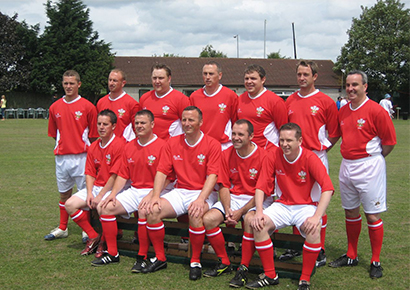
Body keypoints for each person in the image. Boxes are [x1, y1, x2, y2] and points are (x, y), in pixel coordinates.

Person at [237, 123, 334, 290]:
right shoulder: (273, 155)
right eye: (281, 140)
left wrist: (317, 216)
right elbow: (261, 186)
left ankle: (305, 280)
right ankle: (270, 275)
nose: (284, 144)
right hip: (282, 204)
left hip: (305, 206)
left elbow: (328, 188)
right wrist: (259, 212)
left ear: (300, 141)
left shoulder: (310, 158)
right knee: (258, 224)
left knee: (314, 229)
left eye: (289, 140)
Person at [329, 70, 396, 279]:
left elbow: (389, 142)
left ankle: (376, 260)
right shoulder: (343, 110)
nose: (350, 89)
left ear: (365, 87)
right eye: (348, 85)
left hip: (369, 166)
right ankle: (351, 254)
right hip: (347, 165)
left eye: (355, 85)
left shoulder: (376, 110)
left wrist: (374, 159)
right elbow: (335, 136)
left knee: (372, 214)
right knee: (350, 212)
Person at [144, 106, 221, 280]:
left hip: (203, 192)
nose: (187, 123)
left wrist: (201, 199)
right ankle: (160, 257)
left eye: (191, 120)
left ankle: (195, 261)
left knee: (195, 213)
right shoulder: (172, 142)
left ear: (200, 122)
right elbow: (162, 171)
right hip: (180, 190)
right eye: (184, 120)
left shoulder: (212, 144)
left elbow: (213, 176)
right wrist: (155, 196)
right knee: (152, 210)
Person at [90, 109, 170, 268]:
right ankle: (112, 253)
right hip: (134, 190)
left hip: (157, 190)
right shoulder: (129, 146)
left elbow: (168, 177)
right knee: (105, 207)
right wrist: (113, 194)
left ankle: (142, 256)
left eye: (143, 123)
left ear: (152, 124)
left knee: (144, 210)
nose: (139, 126)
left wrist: (153, 194)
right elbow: (122, 175)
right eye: (137, 123)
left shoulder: (163, 146)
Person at [282, 60, 340, 267]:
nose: (301, 78)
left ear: (315, 76)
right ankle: (297, 245)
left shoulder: (325, 101)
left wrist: (321, 149)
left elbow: (334, 132)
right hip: (293, 158)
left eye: (306, 74)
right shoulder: (290, 100)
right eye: (299, 74)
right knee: (295, 199)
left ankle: (320, 249)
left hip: (314, 156)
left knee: (316, 204)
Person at [201, 119, 272, 279]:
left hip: (257, 199)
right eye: (234, 133)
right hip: (234, 198)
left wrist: (241, 212)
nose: (236, 137)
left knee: (249, 221)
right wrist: (228, 210)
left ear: (251, 136)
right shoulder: (226, 154)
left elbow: (263, 191)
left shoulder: (264, 156)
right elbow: (224, 186)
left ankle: (243, 268)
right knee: (209, 219)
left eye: (241, 134)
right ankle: (224, 262)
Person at [45, 70, 99, 241]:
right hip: (62, 157)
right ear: (62, 84)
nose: (68, 86)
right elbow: (54, 133)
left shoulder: (88, 106)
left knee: (84, 194)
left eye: (72, 83)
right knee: (64, 194)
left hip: (82, 157)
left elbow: (93, 135)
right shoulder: (54, 107)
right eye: (66, 83)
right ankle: (63, 228)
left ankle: (86, 229)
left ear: (79, 84)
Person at [64, 109, 125, 255]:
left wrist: (100, 195)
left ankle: (104, 242)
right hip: (97, 188)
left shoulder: (120, 145)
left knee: (102, 208)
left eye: (105, 124)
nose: (101, 127)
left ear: (114, 126)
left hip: (113, 189)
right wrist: (90, 193)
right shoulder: (93, 146)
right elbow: (90, 173)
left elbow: (115, 175)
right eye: (99, 124)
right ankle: (93, 236)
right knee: (69, 205)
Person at [237, 64, 288, 151]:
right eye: (246, 79)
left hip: (267, 152)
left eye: (253, 78)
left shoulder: (275, 101)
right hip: (245, 152)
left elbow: (284, 130)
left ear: (263, 80)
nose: (249, 82)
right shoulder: (240, 99)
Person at [190, 61, 238, 150]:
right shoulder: (194, 96)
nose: (207, 77)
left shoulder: (230, 95)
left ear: (220, 75)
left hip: (223, 146)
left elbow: (236, 121)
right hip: (201, 145)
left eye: (211, 74)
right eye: (205, 74)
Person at [139, 64, 190, 140]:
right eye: (154, 78)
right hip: (149, 146)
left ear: (169, 79)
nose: (157, 81)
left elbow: (189, 125)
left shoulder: (180, 99)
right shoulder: (144, 98)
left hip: (170, 147)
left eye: (161, 78)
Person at [97, 69, 141, 141]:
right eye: (110, 80)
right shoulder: (101, 102)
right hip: (105, 147)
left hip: (124, 147)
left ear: (123, 83)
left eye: (115, 81)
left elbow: (137, 130)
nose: (111, 83)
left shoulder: (132, 104)